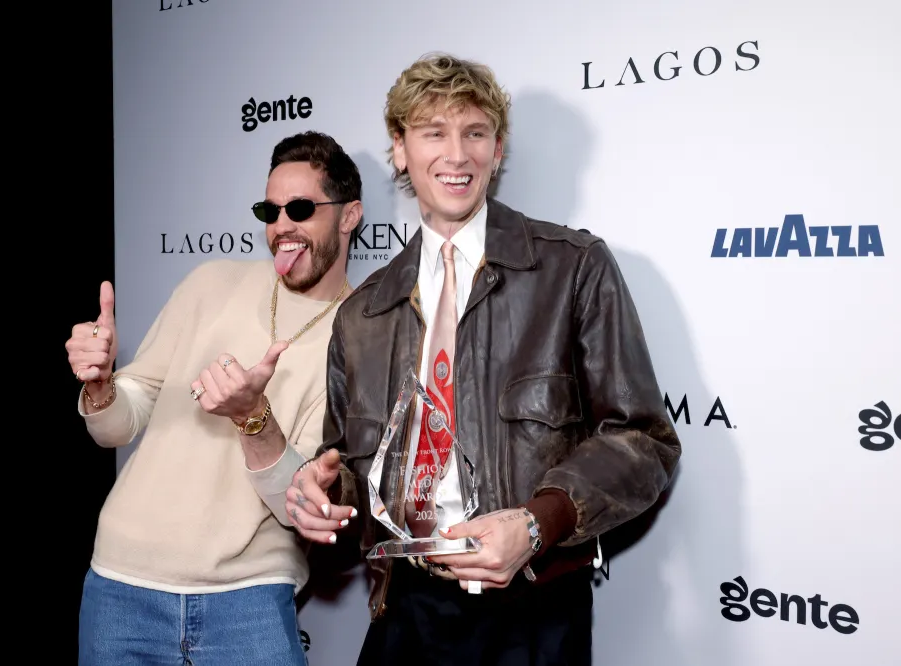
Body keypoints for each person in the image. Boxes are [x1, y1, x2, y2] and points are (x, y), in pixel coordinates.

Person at [287, 53, 682, 665]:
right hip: (405, 607)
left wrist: (535, 523)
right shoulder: (361, 314)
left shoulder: (573, 268)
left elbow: (642, 440)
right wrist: (323, 488)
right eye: (433, 132)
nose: (457, 153)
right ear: (400, 149)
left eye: (475, 132)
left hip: (534, 611)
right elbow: (345, 461)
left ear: (497, 151)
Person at [64, 131, 363, 665]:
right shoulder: (210, 283)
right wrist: (101, 385)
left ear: (348, 216)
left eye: (299, 208)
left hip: (249, 599)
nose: (281, 228)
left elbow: (299, 506)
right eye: (269, 211)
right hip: (120, 588)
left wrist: (252, 416)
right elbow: (115, 426)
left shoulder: (363, 333)